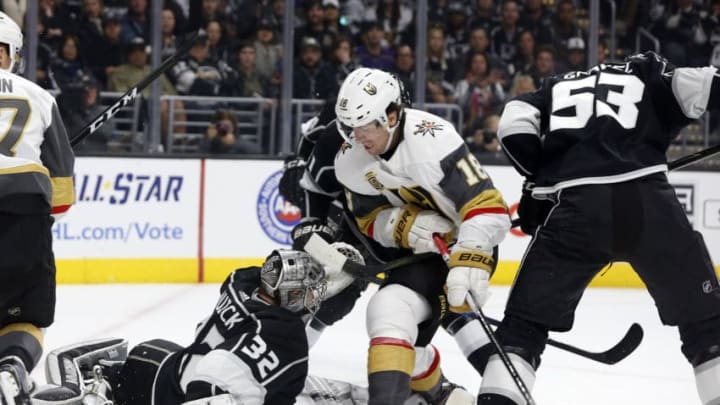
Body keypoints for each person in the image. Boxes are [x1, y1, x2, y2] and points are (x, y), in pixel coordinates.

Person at [489, 51, 720, 404]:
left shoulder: (552, 88)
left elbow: (513, 129)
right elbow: (708, 85)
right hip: (650, 205)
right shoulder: (647, 69)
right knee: (708, 328)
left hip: (577, 212)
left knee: (521, 331)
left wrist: (539, 181)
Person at [332, 67, 511, 404]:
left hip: (464, 246)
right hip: (419, 252)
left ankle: (482, 392)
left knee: (398, 311)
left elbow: (490, 208)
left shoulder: (433, 140)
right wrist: (404, 225)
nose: (358, 138)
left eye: (365, 125)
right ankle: (440, 395)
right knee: (388, 312)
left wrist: (469, 257)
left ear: (392, 115)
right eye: (350, 127)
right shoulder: (350, 161)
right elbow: (368, 219)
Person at [29, 245, 366, 405]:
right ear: (289, 296)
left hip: (164, 364)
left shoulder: (241, 283)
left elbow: (269, 342)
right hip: (163, 388)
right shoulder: (275, 332)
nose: (313, 297)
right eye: (306, 292)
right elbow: (273, 354)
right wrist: (321, 318)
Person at [0, 11, 75, 404]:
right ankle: (11, 366)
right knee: (23, 318)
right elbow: (62, 194)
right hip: (23, 216)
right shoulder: (39, 96)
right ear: (12, 54)